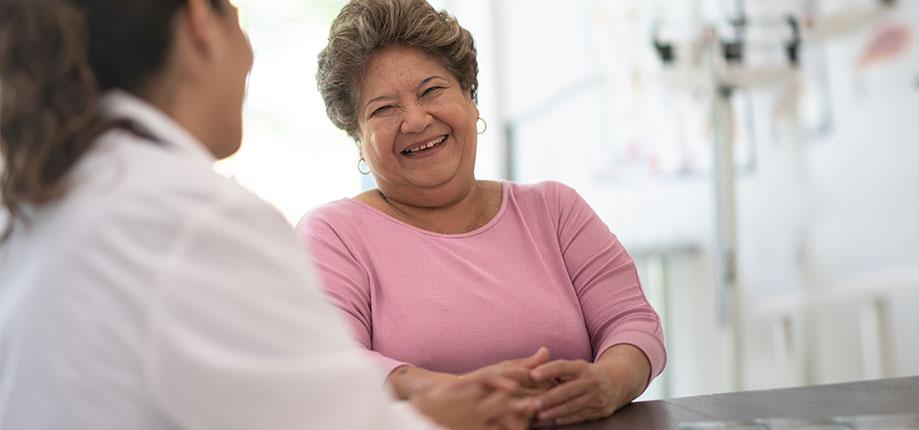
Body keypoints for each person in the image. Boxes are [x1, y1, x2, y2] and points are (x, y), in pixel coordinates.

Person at [0, 0, 537, 429]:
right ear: (198, 22)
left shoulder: (46, 200)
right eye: (237, 18)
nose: (250, 59)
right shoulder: (191, 217)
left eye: (432, 91)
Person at [298, 0, 667, 425]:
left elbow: (633, 322)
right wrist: (441, 393)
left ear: (470, 100)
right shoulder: (333, 234)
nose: (416, 120)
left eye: (431, 90)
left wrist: (610, 381)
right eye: (383, 109)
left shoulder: (555, 209)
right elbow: (332, 361)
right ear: (359, 140)